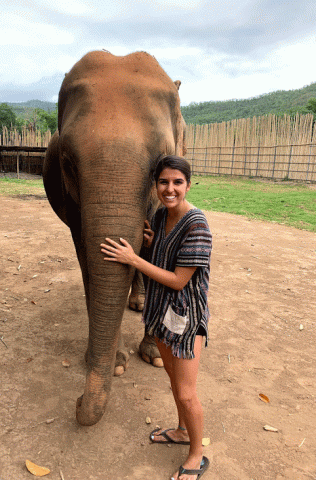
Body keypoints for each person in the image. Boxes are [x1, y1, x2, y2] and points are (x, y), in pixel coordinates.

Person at [101, 155, 212, 480]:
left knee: (187, 393)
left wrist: (133, 259)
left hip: (186, 322)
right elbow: (164, 260)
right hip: (160, 316)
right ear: (156, 185)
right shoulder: (162, 215)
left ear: (188, 185)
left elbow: (179, 280)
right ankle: (180, 431)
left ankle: (196, 453)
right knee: (175, 385)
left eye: (177, 182)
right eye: (164, 181)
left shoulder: (197, 224)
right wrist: (150, 247)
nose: (170, 188)